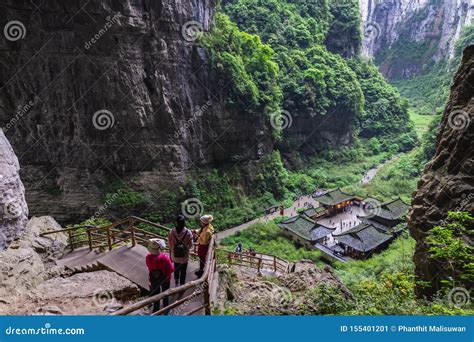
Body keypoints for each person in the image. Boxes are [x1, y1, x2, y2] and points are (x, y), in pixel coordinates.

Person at [146, 238, 174, 313]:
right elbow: (171, 269)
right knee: (165, 294)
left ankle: (156, 309)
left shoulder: (148, 257)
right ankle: (166, 309)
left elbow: (149, 267)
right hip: (165, 279)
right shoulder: (164, 258)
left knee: (156, 294)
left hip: (153, 279)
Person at [168, 214, 193, 287]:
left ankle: (176, 281)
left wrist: (171, 253)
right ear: (184, 222)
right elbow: (191, 245)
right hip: (184, 256)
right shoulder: (188, 232)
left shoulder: (171, 232)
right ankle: (182, 284)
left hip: (175, 255)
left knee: (176, 268)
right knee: (183, 271)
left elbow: (169, 245)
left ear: (176, 222)